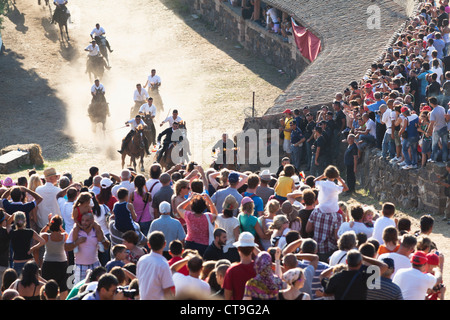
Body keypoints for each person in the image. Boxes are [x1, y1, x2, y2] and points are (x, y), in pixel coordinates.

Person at [322, 249, 388, 300]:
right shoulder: (364, 276)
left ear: (346, 261)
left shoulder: (336, 277)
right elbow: (384, 266)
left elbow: (326, 289)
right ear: (360, 262)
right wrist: (364, 257)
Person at [65, 212, 103, 285]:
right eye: (82, 220)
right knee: (80, 290)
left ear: (92, 221)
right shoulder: (75, 231)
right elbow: (66, 247)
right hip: (80, 266)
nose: (84, 223)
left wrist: (101, 240)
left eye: (87, 220)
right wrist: (77, 242)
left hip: (95, 265)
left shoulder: (96, 230)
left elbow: (107, 245)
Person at [136, 231, 174, 300]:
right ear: (164, 244)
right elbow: (167, 290)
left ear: (148, 244)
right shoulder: (163, 264)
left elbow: (138, 280)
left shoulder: (141, 260)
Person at [39, 215, 69, 300]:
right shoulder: (64, 236)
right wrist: (60, 227)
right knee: (63, 288)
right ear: (60, 225)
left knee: (46, 286)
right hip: (62, 263)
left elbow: (40, 233)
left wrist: (48, 224)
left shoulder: (46, 236)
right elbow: (66, 234)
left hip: (48, 264)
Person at [223, 232, 258, 300]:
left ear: (238, 249)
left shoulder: (232, 271)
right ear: (253, 249)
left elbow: (227, 295)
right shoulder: (259, 268)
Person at [214, 195, 240, 263]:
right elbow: (237, 237)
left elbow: (215, 231)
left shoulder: (218, 217)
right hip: (231, 249)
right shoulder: (235, 221)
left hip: (219, 248)